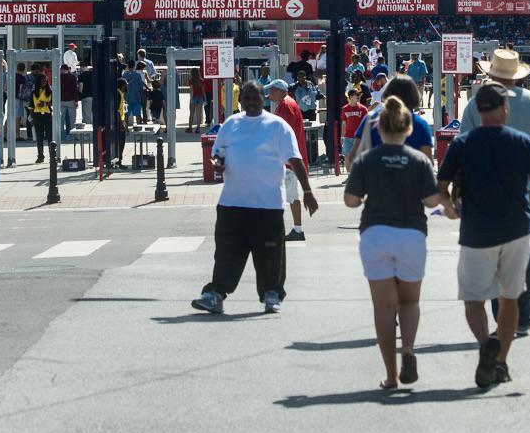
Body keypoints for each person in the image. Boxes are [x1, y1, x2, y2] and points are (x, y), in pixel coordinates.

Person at [438, 83, 530, 388]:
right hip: (517, 230)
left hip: (476, 231)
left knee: (473, 299)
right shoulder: (522, 143)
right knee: (510, 298)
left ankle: (485, 343)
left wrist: (450, 209)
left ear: (478, 111)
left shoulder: (462, 143)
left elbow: (440, 188)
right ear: (504, 109)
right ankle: (501, 361)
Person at [342, 96, 451, 390]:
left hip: (375, 233)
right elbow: (431, 201)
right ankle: (408, 351)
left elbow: (351, 201)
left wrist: (366, 194)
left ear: (380, 129)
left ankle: (391, 375)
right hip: (411, 234)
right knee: (410, 301)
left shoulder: (366, 160)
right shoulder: (418, 160)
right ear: (406, 129)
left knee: (383, 307)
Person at [192, 81, 318, 316]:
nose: (250, 102)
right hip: (231, 204)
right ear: (241, 101)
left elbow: (296, 159)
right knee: (226, 253)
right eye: (246, 98)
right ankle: (216, 294)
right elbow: (218, 154)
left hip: (267, 205)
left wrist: (308, 191)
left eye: (255, 98)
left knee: (270, 253)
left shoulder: (277, 126)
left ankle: (271, 294)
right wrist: (217, 163)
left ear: (264, 98)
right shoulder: (231, 124)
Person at [458, 48, 530, 333]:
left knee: (490, 249)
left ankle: (499, 314)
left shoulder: (475, 104)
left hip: (485, 191)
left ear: (491, 75)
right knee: (525, 250)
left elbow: (464, 144)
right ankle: (522, 315)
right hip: (526, 188)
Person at [266, 79, 310, 242]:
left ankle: (288, 230)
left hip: (287, 161)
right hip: (289, 160)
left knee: (281, 196)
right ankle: (295, 230)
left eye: (270, 92)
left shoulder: (286, 106)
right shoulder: (287, 104)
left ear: (279, 91)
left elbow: (284, 133)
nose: (268, 95)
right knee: (289, 196)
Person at [29, 73, 54, 165]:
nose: (44, 82)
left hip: (47, 116)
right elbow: (31, 106)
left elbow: (53, 103)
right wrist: (31, 118)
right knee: (39, 138)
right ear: (38, 81)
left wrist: (45, 104)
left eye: (45, 80)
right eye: (42, 80)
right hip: (37, 116)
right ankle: (40, 156)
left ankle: (52, 156)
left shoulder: (50, 91)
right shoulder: (33, 93)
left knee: (50, 137)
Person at [123, 59, 145, 129]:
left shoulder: (124, 75)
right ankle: (139, 129)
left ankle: (126, 130)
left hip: (126, 98)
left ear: (127, 66)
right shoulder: (137, 75)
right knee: (138, 114)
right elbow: (141, 87)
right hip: (136, 97)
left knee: (126, 115)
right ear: (134, 66)